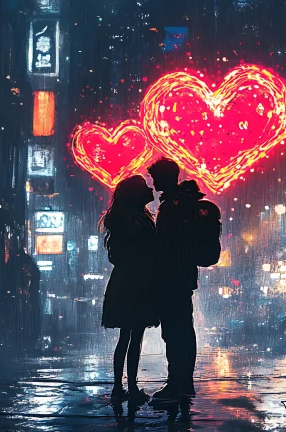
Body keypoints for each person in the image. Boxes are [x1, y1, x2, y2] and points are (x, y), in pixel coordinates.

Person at [147, 158, 203, 400]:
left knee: (174, 331)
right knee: (183, 330)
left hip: (172, 278)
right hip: (182, 277)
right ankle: (183, 381)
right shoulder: (183, 202)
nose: (153, 182)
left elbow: (167, 245)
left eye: (156, 177)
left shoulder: (174, 205)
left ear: (166, 177)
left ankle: (176, 382)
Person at [100, 175, 160, 401]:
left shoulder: (128, 218)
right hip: (136, 282)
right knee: (133, 337)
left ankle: (120, 387)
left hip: (127, 279)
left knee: (127, 336)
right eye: (145, 188)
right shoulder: (136, 220)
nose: (150, 190)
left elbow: (116, 254)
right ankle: (129, 387)